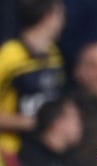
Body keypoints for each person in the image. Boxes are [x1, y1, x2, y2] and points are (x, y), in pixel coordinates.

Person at [0, 0, 65, 154]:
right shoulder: (10, 55)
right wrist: (29, 123)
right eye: (61, 14)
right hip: (10, 150)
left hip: (43, 149)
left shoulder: (54, 55)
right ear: (49, 16)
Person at [19, 97, 93, 166]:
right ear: (58, 123)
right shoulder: (27, 160)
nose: (80, 125)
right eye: (75, 118)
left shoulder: (74, 160)